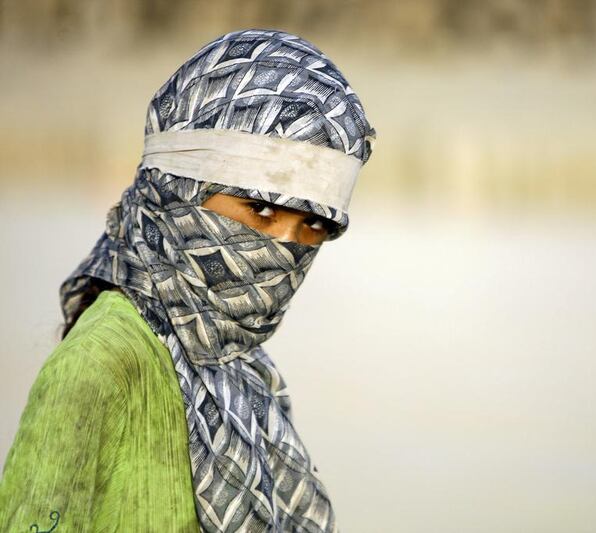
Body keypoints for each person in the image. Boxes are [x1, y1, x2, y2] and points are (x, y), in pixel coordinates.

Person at [0, 28, 376, 532]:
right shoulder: (103, 362)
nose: (285, 248)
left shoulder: (233, 359)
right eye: (261, 210)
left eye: (314, 226)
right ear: (176, 191)